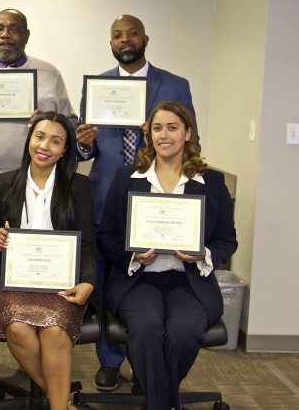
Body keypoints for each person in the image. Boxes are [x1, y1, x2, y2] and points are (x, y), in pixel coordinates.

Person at [75, 14, 197, 391]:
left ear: (146, 38)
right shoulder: (97, 86)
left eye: (132, 33)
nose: (125, 39)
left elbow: (190, 142)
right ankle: (111, 360)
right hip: (107, 193)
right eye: (117, 35)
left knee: (154, 283)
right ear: (110, 43)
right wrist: (83, 140)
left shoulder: (175, 84)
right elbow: (88, 148)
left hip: (160, 197)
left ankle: (148, 363)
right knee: (113, 280)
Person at [0, 9, 77, 379]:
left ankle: (38, 347)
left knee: (37, 269)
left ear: (26, 35)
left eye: (13, 29)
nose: (5, 34)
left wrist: (50, 121)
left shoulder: (48, 73)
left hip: (34, 189)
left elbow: (70, 124)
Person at [97, 102, 237, 410]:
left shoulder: (211, 183)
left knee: (183, 333)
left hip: (189, 282)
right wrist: (133, 255)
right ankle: (167, 404)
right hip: (139, 280)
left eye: (172, 128)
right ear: (148, 134)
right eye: (157, 128)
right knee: (146, 330)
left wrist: (203, 253)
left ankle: (157, 400)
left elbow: (227, 240)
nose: (164, 135)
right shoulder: (126, 177)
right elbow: (106, 236)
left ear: (188, 133)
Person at [0, 112, 96, 410]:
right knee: (17, 327)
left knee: (55, 330)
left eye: (56, 141)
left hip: (62, 280)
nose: (45, 146)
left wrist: (88, 281)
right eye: (39, 136)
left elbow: (87, 244)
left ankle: (58, 406)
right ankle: (63, 402)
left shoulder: (78, 186)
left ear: (66, 149)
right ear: (29, 139)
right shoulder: (5, 183)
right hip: (14, 279)